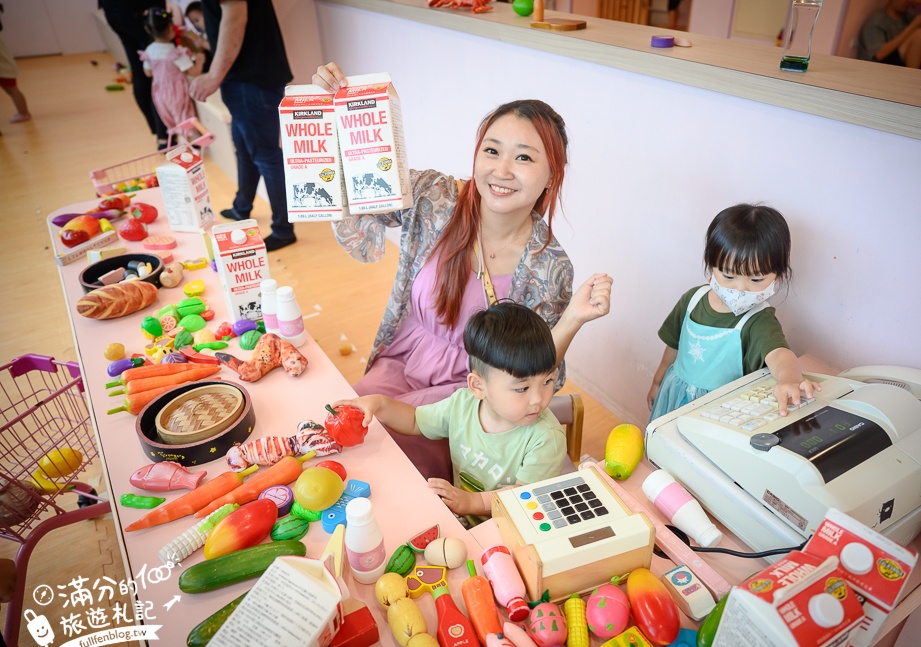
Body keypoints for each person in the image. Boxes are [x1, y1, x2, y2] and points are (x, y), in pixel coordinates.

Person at [314, 61, 613, 481]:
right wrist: (339, 115)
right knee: (337, 437)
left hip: (471, 398)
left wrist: (574, 320)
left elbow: (535, 369)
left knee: (389, 474)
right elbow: (362, 189)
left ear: (551, 176)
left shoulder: (549, 266)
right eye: (491, 150)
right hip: (400, 363)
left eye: (523, 157)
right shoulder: (435, 197)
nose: (501, 170)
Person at [331, 302, 567, 519]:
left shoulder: (546, 438)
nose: (539, 399)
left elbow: (522, 500)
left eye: (548, 381)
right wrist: (380, 404)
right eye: (523, 388)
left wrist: (470, 502)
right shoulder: (461, 405)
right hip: (465, 519)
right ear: (478, 386)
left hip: (514, 528)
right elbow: (414, 420)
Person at [647, 204, 820, 422]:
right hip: (675, 394)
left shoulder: (759, 320)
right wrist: (657, 382)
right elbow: (673, 346)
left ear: (777, 276)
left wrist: (790, 378)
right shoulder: (691, 300)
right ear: (711, 266)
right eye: (729, 276)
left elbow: (779, 355)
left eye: (756, 280)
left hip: (720, 412)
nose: (741, 288)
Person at [189, 0, 295, 251]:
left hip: (252, 79)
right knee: (245, 146)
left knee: (265, 155)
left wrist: (213, 75)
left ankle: (283, 229)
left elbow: (235, 17)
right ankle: (242, 207)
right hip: (245, 78)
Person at [101, 0, 170, 149]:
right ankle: (163, 135)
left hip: (115, 11)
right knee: (157, 76)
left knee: (139, 70)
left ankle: (159, 132)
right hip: (136, 10)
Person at [139, 8, 198, 138]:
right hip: (176, 91)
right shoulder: (175, 53)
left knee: (170, 117)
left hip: (159, 91)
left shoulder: (149, 50)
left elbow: (148, 73)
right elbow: (194, 72)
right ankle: (187, 145)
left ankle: (182, 142)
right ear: (171, 28)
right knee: (183, 116)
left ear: (148, 30)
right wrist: (200, 61)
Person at [857, 0, 921, 69]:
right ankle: (912, 78)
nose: (909, 1)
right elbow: (879, 54)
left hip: (903, 58)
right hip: (882, 65)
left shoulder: (904, 15)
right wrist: (913, 26)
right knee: (920, 33)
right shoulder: (877, 20)